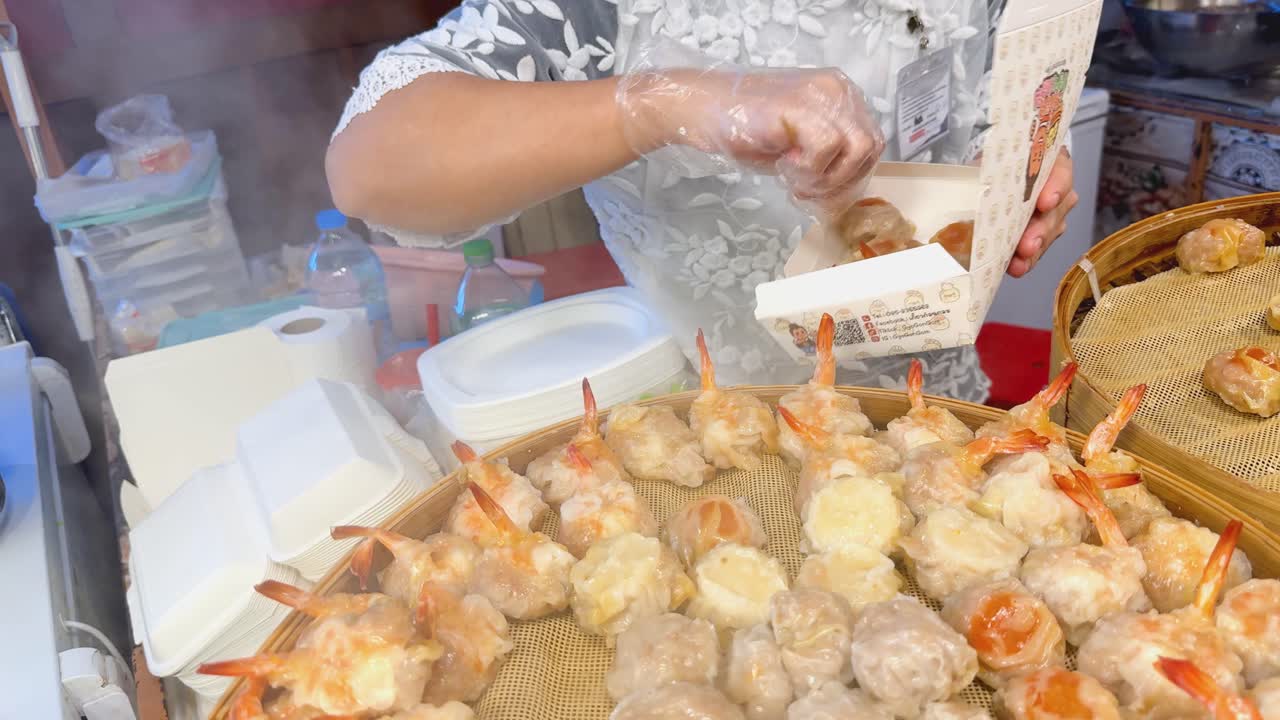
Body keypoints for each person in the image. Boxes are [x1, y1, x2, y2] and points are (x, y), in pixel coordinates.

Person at [326, 0, 1080, 403]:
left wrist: (1025, 164)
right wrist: (657, 105)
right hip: (707, 429)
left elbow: (993, 98)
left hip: (930, 407)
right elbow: (372, 165)